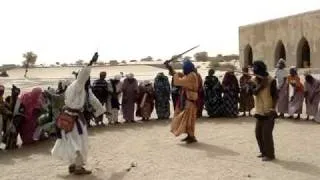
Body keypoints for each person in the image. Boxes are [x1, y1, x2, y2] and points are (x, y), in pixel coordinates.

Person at [51, 58, 105, 175]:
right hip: (72, 120)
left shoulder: (84, 88)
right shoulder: (77, 86)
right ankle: (78, 167)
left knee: (72, 141)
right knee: (78, 143)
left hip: (73, 118)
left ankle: (73, 165)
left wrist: (101, 111)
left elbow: (93, 100)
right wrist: (90, 63)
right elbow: (83, 76)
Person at [166, 58, 199, 144]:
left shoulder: (192, 76)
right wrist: (169, 67)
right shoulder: (189, 74)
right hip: (187, 99)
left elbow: (178, 81)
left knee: (189, 119)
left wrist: (175, 74)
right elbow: (178, 75)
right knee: (186, 119)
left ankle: (191, 136)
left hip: (190, 100)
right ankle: (189, 135)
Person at [251, 61, 278, 161]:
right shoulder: (254, 80)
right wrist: (261, 85)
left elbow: (275, 96)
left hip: (269, 111)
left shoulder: (271, 81)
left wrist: (272, 108)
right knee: (258, 133)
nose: (254, 73)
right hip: (259, 111)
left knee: (266, 133)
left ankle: (270, 155)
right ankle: (263, 152)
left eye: (255, 71)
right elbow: (254, 92)